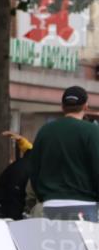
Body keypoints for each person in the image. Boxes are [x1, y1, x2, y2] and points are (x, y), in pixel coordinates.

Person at [28, 85, 99, 221]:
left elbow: (34, 170)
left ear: (62, 106)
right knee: (83, 242)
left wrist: (45, 196)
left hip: (51, 204)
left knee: (52, 242)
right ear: (86, 106)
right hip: (85, 205)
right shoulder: (92, 131)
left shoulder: (45, 131)